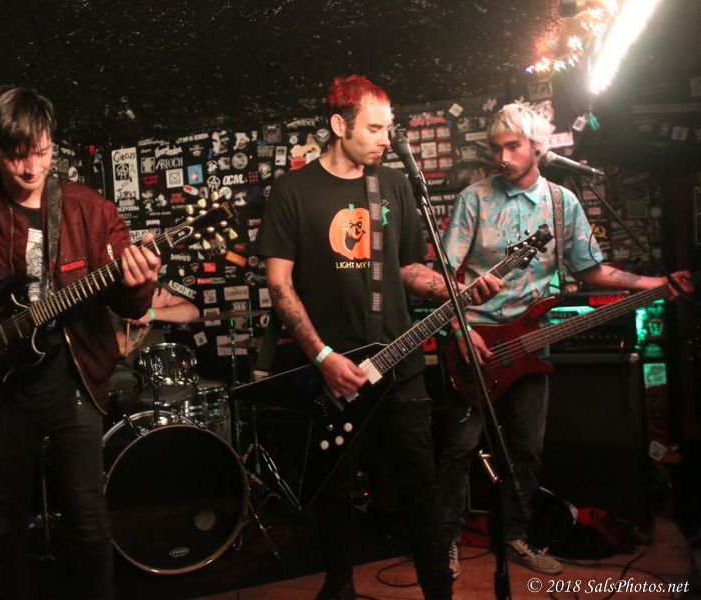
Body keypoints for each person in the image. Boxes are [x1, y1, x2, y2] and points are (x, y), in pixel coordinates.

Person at [256, 74, 502, 600]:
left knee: (420, 488)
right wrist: (322, 356)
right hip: (332, 370)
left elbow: (408, 269)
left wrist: (456, 289)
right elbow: (279, 285)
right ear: (338, 125)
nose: (386, 140)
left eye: (389, 128)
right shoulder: (293, 191)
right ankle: (339, 585)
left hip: (399, 362)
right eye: (374, 128)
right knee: (335, 492)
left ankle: (439, 591)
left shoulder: (391, 185)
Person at [0, 85, 161, 599]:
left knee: (88, 517)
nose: (31, 168)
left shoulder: (91, 209)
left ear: (52, 142)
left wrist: (140, 281)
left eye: (42, 151)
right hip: (0, 380)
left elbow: (130, 305)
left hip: (74, 376)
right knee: (5, 519)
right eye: (16, 155)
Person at [437, 102, 694, 578]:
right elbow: (446, 277)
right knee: (458, 450)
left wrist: (655, 284)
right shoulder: (475, 198)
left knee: (527, 450)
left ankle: (516, 535)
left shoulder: (562, 203)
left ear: (538, 147)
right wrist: (461, 330)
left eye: (513, 146)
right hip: (475, 345)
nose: (502, 157)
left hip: (532, 343)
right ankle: (445, 543)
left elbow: (591, 269)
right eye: (496, 148)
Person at [108, 284, 200, 415]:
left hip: (157, 374)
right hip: (124, 374)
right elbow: (124, 348)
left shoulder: (151, 289)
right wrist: (149, 316)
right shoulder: (109, 298)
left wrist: (152, 313)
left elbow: (192, 312)